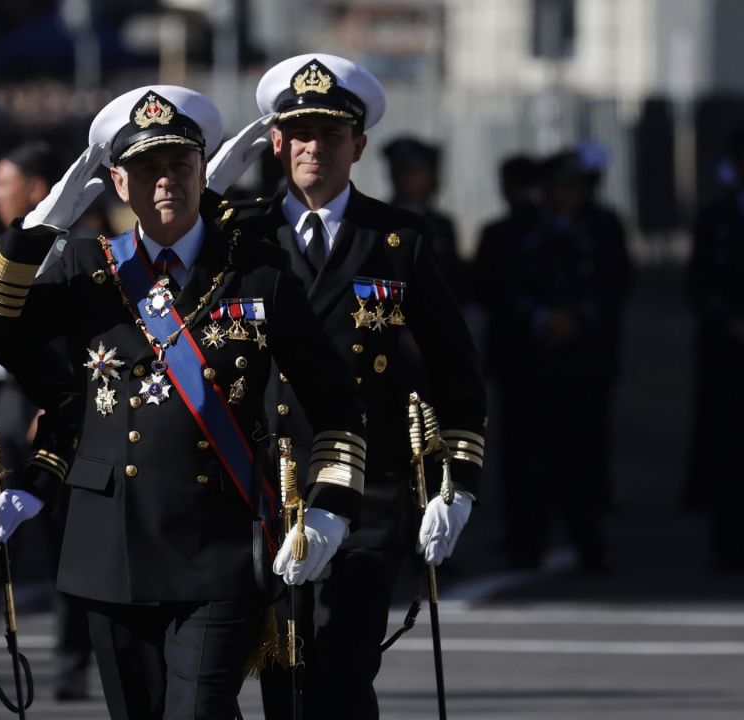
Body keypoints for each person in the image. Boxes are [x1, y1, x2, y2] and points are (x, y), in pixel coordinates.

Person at [0, 84, 368, 719]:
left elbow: (336, 400)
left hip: (219, 543)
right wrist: (33, 234)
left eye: (180, 164)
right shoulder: (86, 270)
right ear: (119, 183)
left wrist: (330, 506)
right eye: (148, 168)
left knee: (198, 710)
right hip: (113, 544)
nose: (166, 181)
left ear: (203, 172)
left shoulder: (257, 273)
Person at [206, 54, 487, 720]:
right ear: (277, 144)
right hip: (265, 486)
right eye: (300, 134)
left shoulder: (396, 239)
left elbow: (455, 369)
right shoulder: (241, 235)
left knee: (343, 666)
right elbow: (165, 261)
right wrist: (212, 181)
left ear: (358, 146)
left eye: (331, 135)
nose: (315, 148)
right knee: (284, 673)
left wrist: (457, 484)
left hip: (368, 490)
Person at [0, 139, 95, 701]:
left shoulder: (76, 251)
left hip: (57, 403)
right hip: (3, 406)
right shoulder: (1, 247)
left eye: (3, 183)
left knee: (67, 540)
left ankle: (73, 658)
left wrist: (48, 410)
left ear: (35, 190)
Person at [487, 149, 630, 571]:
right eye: (556, 188)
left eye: (571, 188)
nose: (564, 196)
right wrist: (539, 317)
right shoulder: (522, 230)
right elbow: (502, 285)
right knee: (532, 454)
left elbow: (616, 281)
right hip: (533, 362)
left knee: (585, 453)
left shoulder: (601, 227)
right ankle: (528, 540)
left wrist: (578, 317)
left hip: (584, 359)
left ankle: (588, 539)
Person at [689, 125, 744, 572]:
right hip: (730, 353)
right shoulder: (716, 218)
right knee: (729, 451)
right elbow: (700, 282)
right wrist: (733, 324)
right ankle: (727, 544)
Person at [383, 135, 467, 301]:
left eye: (422, 173)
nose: (414, 181)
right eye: (411, 174)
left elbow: (453, 277)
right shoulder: (381, 219)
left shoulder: (442, 224)